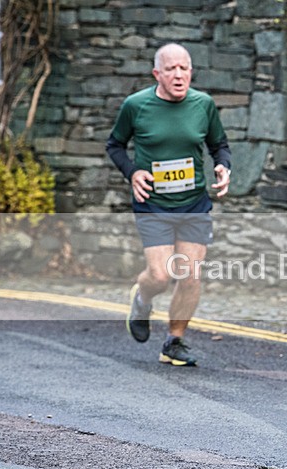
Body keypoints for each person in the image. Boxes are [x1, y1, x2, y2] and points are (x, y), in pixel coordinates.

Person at [106, 43, 231, 367]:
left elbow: (219, 145)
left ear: (191, 71)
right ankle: (142, 297)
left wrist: (223, 166)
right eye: (171, 69)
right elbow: (115, 145)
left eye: (184, 68)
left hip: (193, 203)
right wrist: (133, 172)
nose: (179, 75)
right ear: (157, 74)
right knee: (160, 276)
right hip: (153, 205)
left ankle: (174, 341)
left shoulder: (203, 104)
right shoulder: (136, 105)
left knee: (189, 277)